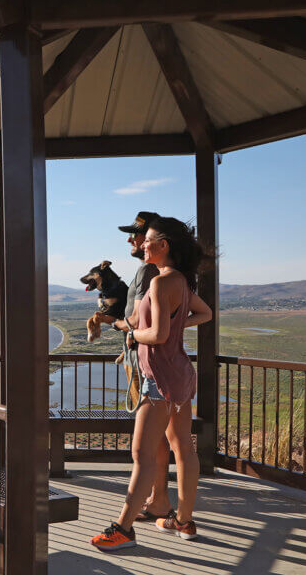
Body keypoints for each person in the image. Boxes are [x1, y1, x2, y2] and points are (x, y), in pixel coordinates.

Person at [91, 216, 213, 551]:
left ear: (164, 245)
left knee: (142, 455)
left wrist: (129, 331)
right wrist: (176, 327)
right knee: (183, 449)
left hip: (159, 379)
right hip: (180, 375)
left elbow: (157, 335)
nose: (142, 244)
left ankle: (123, 529)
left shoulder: (160, 283)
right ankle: (184, 521)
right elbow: (205, 314)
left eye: (148, 240)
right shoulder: (182, 281)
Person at [96, 212, 171, 522]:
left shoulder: (145, 273)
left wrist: (116, 323)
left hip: (141, 358)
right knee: (161, 435)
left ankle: (152, 502)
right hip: (153, 358)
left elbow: (140, 320)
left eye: (135, 235)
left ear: (151, 239)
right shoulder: (163, 272)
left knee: (148, 440)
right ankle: (159, 498)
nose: (130, 240)